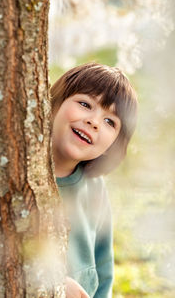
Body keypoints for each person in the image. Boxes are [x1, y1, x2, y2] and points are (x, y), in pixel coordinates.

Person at [51, 63, 138, 297]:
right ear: (54, 104)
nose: (94, 122)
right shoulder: (16, 173)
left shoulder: (96, 190)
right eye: (85, 104)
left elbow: (103, 271)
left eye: (110, 122)